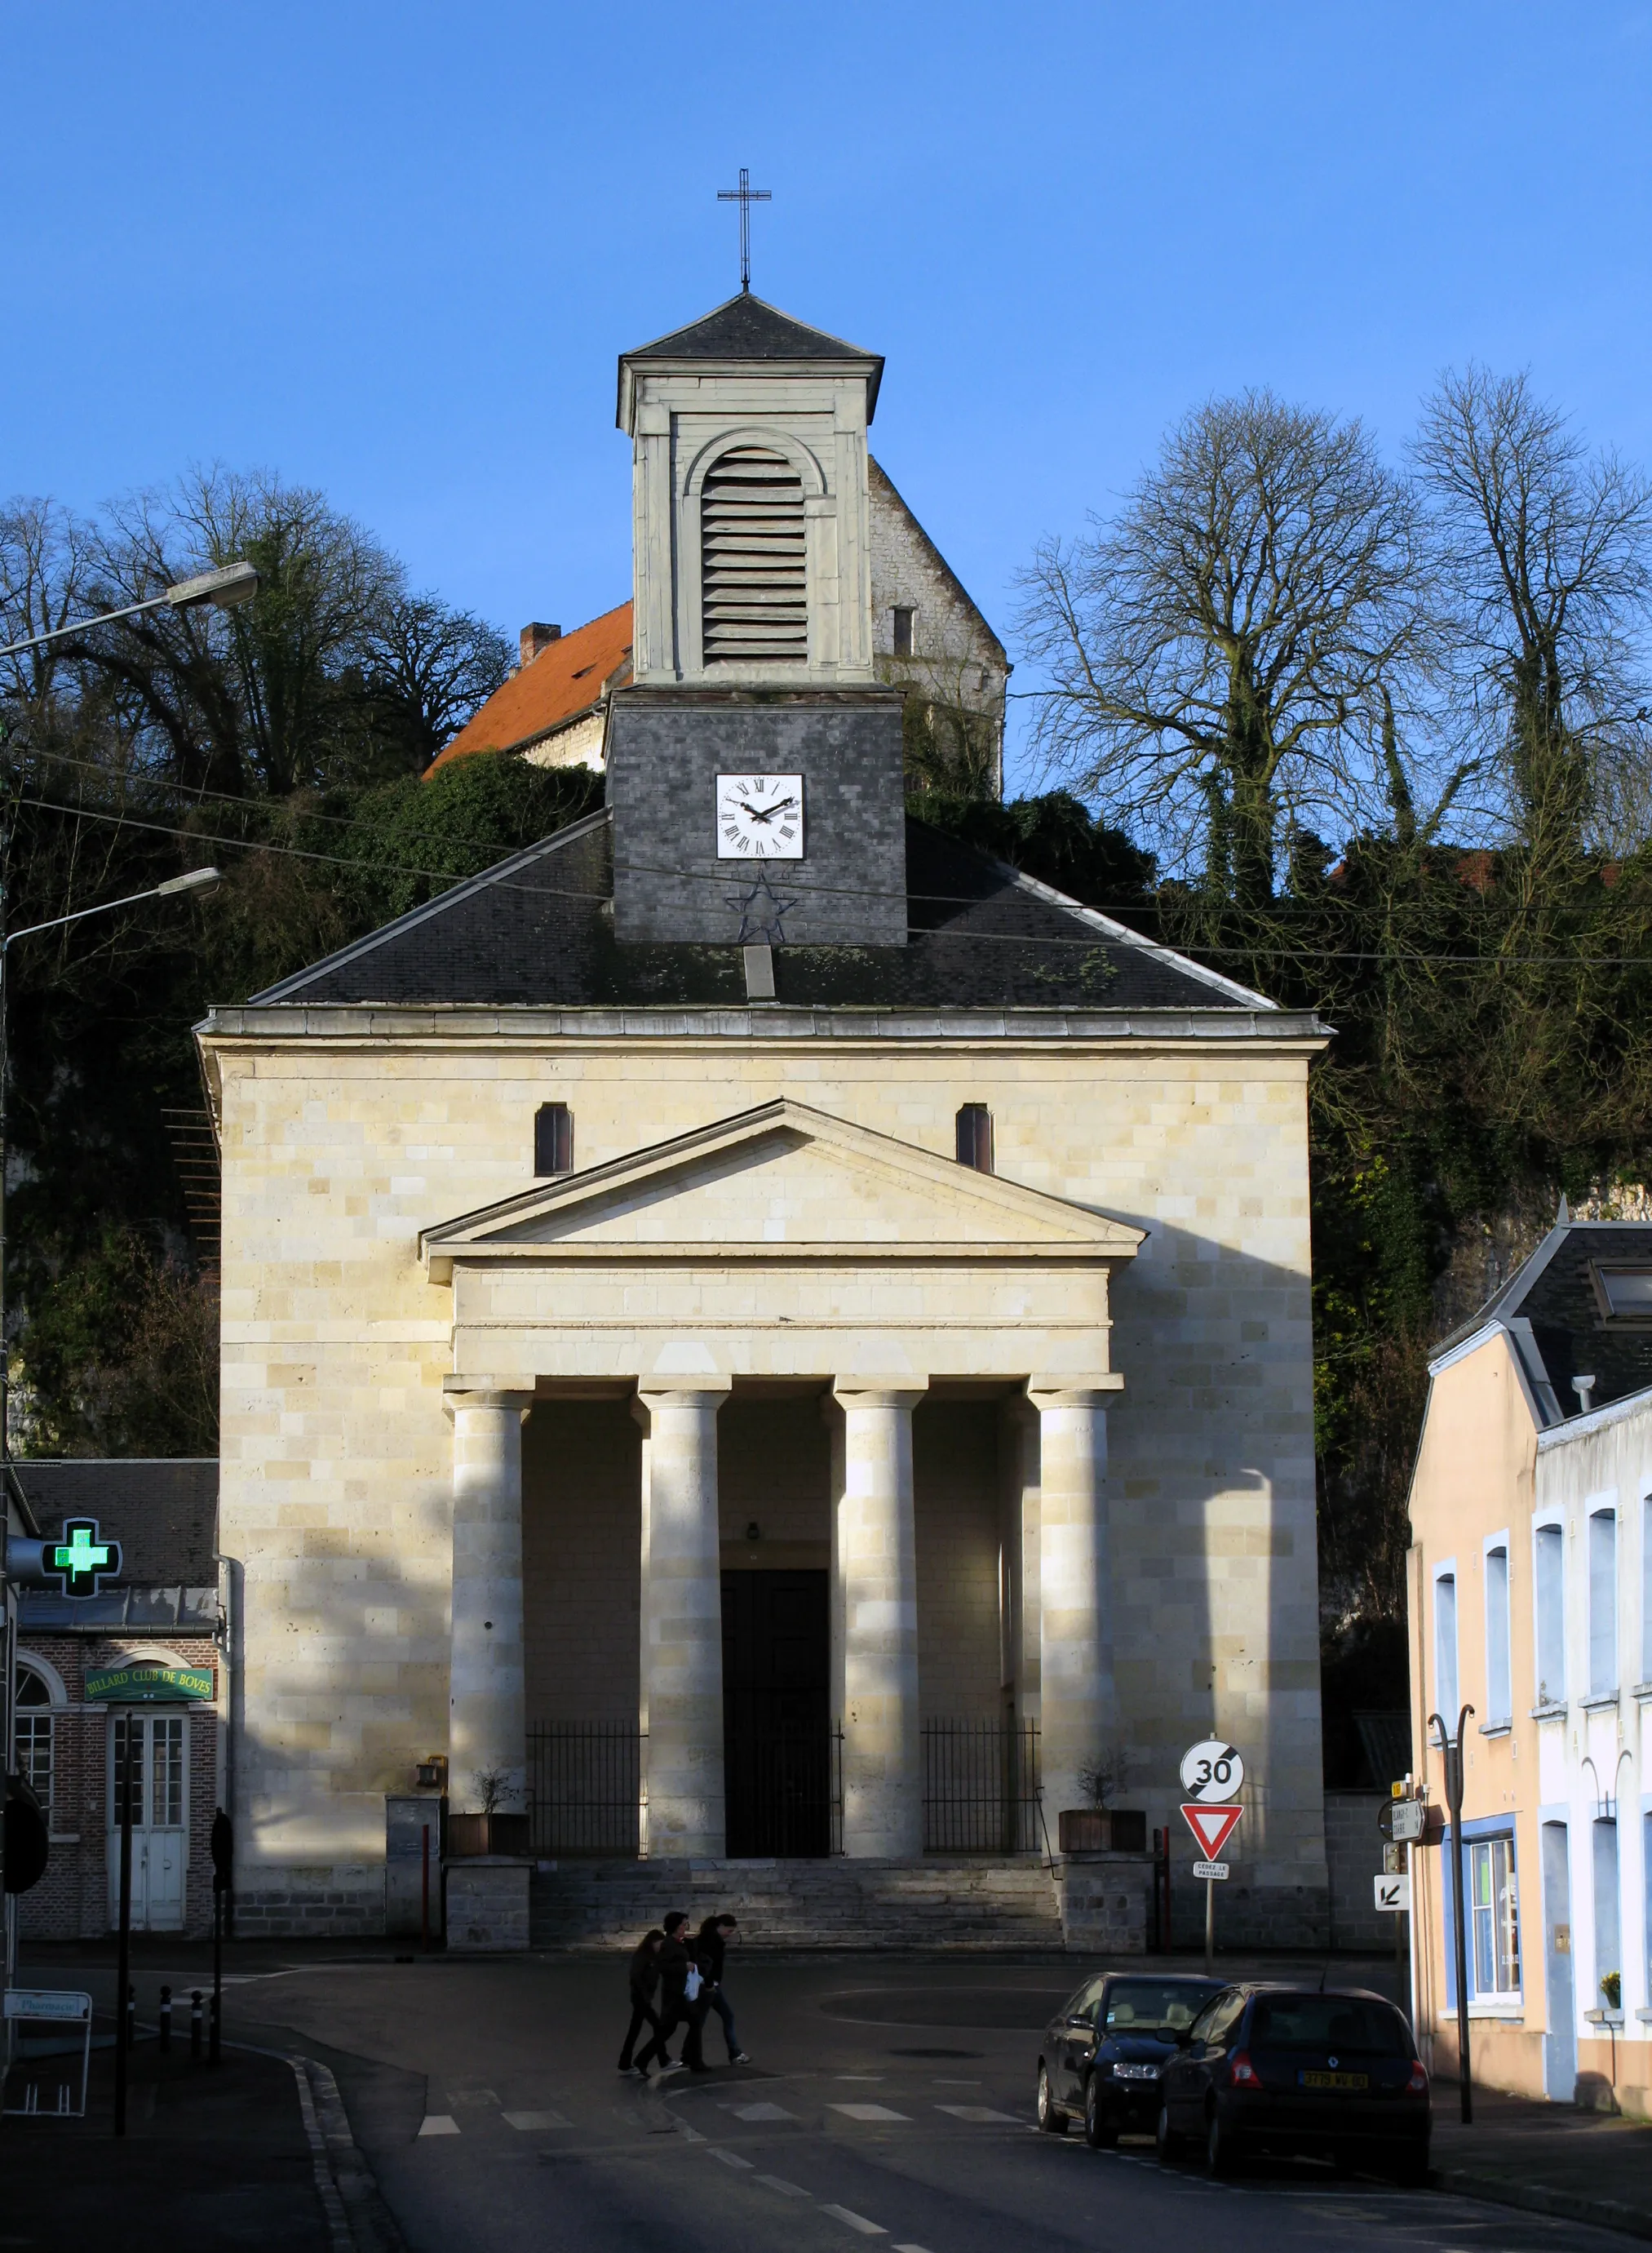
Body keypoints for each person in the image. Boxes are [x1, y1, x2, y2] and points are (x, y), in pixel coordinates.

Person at [636, 1911, 702, 2076]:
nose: (685, 1927)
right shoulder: (668, 1944)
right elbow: (663, 1967)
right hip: (674, 1995)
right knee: (684, 2024)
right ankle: (693, 2059)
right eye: (683, 1924)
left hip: (680, 1993)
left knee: (671, 2028)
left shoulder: (679, 1943)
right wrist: (683, 1967)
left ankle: (644, 2059)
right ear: (675, 1926)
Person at [693, 1914, 750, 2065]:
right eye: (729, 1931)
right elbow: (708, 1966)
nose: (729, 1935)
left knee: (719, 2018)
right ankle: (733, 2054)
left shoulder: (704, 1939)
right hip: (709, 1987)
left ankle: (734, 2053)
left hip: (708, 1985)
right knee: (707, 2020)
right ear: (721, 1926)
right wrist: (711, 1984)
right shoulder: (713, 1942)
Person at [618, 1928, 665, 2076]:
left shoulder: (654, 1957)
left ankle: (624, 2064)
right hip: (640, 1998)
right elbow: (636, 1976)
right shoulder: (642, 1956)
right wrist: (645, 1995)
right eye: (659, 1944)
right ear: (652, 1943)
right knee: (659, 2027)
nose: (660, 1947)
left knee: (635, 2030)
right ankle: (662, 2060)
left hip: (644, 1998)